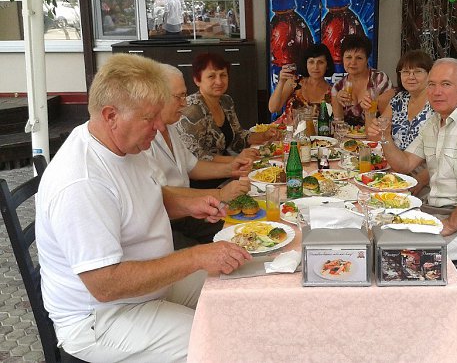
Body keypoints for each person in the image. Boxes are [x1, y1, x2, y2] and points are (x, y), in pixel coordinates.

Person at [35, 54, 251, 362]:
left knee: (241, 290)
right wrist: (196, 256)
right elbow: (105, 284)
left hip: (149, 286)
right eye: (149, 118)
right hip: (103, 316)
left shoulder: (125, 145)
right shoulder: (82, 181)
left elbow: (145, 195)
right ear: (111, 115)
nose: (159, 126)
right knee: (218, 343)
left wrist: (191, 204)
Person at [368, 58, 457, 260]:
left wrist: (450, 225)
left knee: (397, 257)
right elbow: (405, 164)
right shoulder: (434, 122)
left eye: (446, 84)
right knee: (376, 232)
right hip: (438, 212)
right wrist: (385, 138)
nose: (436, 92)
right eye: (432, 84)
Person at [147, 64, 253, 247]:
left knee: (245, 229)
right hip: (166, 223)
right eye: (179, 97)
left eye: (185, 95)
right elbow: (161, 192)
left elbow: (192, 166)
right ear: (157, 97)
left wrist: (232, 168)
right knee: (224, 249)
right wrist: (220, 194)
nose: (185, 103)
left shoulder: (171, 126)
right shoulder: (143, 138)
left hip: (189, 213)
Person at [177, 53, 276, 186]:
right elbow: (195, 157)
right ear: (197, 80)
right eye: (211, 76)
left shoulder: (225, 101)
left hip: (228, 172)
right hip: (202, 182)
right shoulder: (192, 109)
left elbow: (238, 138)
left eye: (223, 75)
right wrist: (237, 159)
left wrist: (264, 135)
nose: (219, 81)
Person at [364, 50, 434, 195]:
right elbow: (375, 136)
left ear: (430, 75)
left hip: (426, 179)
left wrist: (421, 180)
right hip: (394, 170)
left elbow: (443, 154)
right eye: (406, 72)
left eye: (418, 71)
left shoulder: (436, 103)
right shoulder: (399, 99)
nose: (411, 77)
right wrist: (369, 111)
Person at [331, 35, 394, 126]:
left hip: (377, 132)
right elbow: (337, 124)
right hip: (347, 134)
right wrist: (337, 102)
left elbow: (388, 118)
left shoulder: (379, 79)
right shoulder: (338, 86)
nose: (353, 62)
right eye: (348, 57)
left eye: (359, 58)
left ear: (367, 59)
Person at [268, 43, 335, 123]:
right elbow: (273, 108)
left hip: (316, 131)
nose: (315, 67)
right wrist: (281, 81)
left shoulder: (332, 92)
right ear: (306, 64)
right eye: (311, 62)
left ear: (327, 65)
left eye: (320, 62)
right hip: (286, 129)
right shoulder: (294, 82)